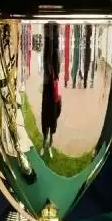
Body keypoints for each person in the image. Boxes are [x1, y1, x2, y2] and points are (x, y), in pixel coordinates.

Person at [41, 24, 61, 158]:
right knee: (49, 51)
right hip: (48, 83)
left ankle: (50, 144)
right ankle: (44, 143)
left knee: (54, 50)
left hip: (53, 82)